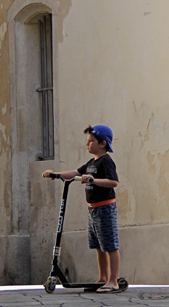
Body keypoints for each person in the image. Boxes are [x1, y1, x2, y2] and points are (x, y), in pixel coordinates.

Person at [43, 125, 121, 292]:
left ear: (103, 144)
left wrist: (93, 180)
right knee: (99, 246)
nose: (87, 144)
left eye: (91, 141)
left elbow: (114, 182)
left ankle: (113, 281)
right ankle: (102, 278)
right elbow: (75, 173)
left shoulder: (106, 161)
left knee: (110, 245)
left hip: (105, 208)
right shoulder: (91, 162)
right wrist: (56, 175)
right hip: (93, 209)